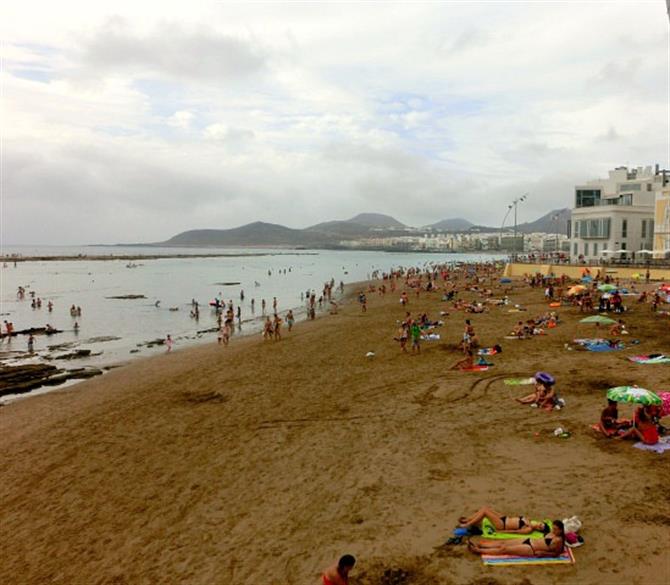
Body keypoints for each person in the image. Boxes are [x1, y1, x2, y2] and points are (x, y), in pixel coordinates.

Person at [468, 521, 565, 558]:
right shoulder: (552, 532)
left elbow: (557, 553)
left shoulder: (559, 540)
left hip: (531, 548)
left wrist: (543, 554)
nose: (553, 530)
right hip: (529, 540)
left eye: (556, 529)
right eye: (553, 528)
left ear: (561, 530)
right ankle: (481, 544)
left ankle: (479, 550)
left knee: (504, 549)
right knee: (503, 542)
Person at [458, 507, 551, 535]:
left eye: (540, 528)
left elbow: (515, 532)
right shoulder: (529, 521)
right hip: (505, 518)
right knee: (486, 508)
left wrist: (501, 531)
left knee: (485, 512)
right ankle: (467, 519)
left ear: (539, 530)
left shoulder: (528, 529)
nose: (539, 525)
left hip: (502, 525)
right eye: (541, 524)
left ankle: (467, 524)